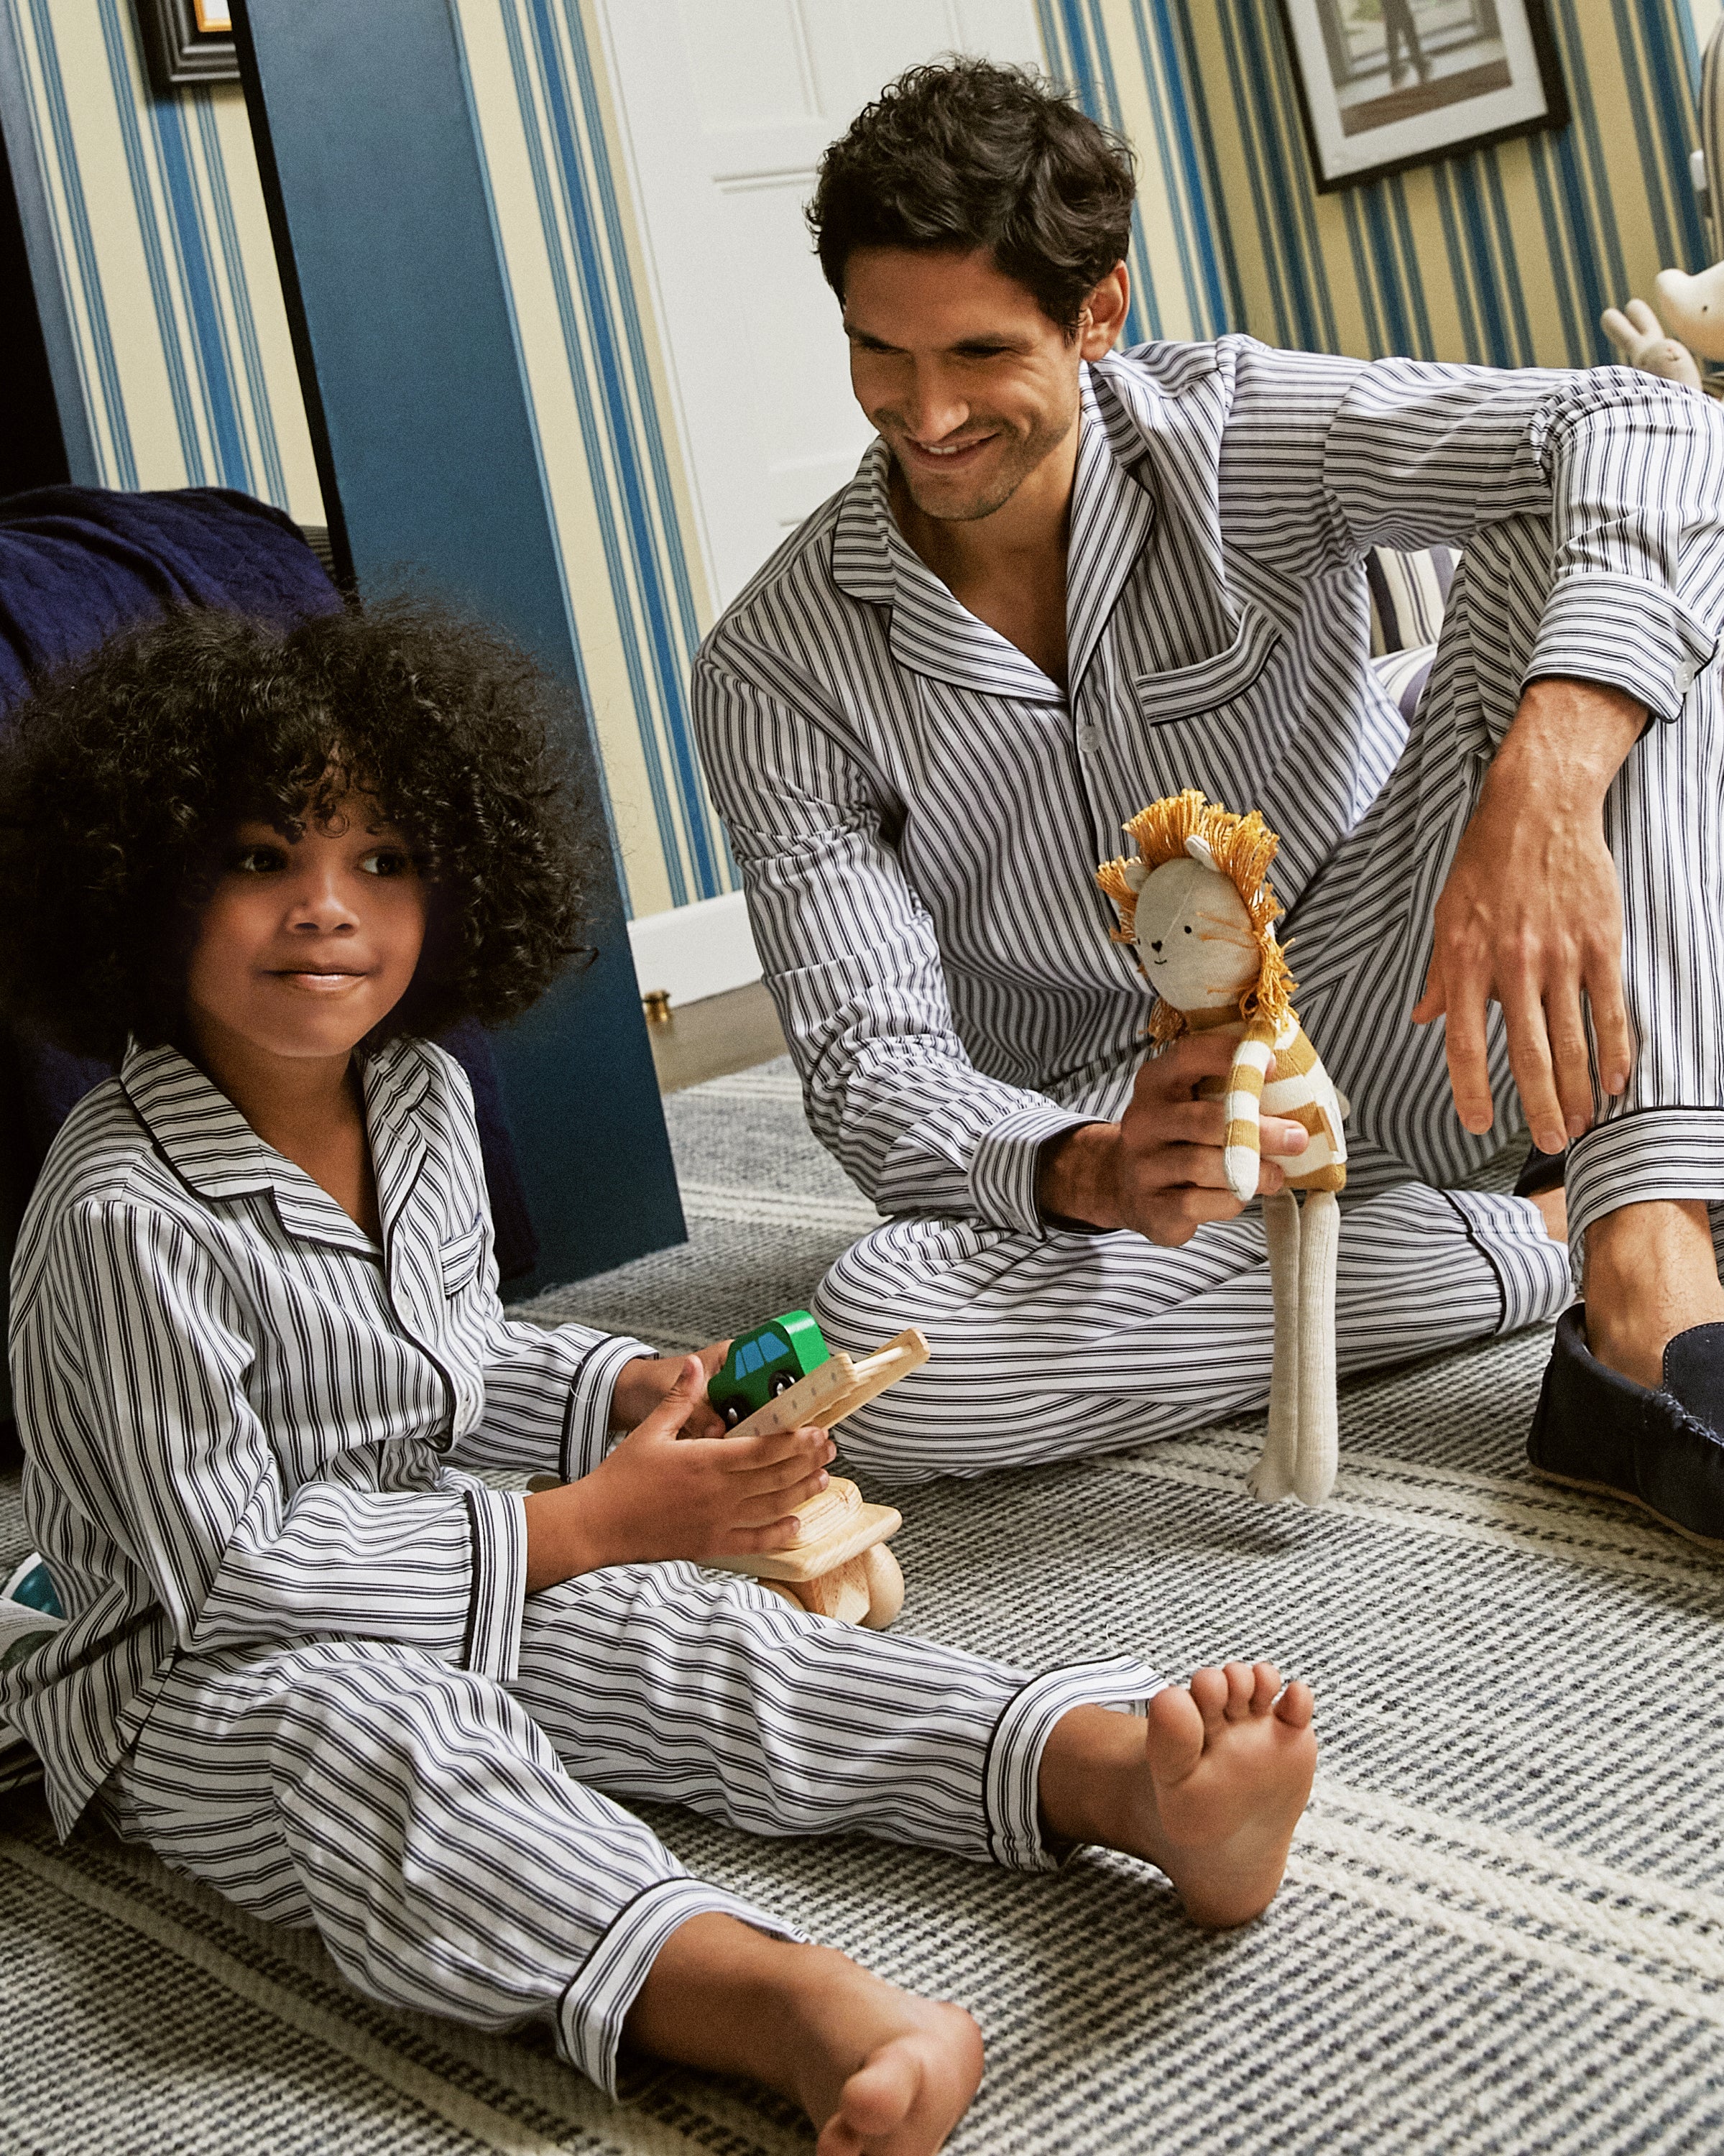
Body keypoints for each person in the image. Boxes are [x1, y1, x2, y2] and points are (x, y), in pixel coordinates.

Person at [0, 600, 1317, 2156]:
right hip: (179, 1671)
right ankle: (795, 2009)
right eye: (258, 859)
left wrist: (626, 1393)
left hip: (435, 1555)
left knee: (693, 1641)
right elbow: (227, 1577)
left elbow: (448, 1363)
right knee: (400, 1757)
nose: (325, 912)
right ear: (140, 885)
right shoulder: (120, 1209)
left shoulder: (414, 1096)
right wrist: (575, 1528)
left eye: (380, 860)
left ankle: (1110, 1778)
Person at [692, 59, 1724, 1542]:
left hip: (1400, 992)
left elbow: (1667, 432)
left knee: (1639, 546)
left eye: (979, 355)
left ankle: (1646, 1291)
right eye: (880, 355)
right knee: (891, 1345)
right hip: (1136, 1142)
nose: (924, 417)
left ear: (1098, 312)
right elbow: (872, 1070)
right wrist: (1087, 1164)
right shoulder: (773, 668)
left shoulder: (1234, 427)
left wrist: (1548, 792)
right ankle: (1549, 1230)